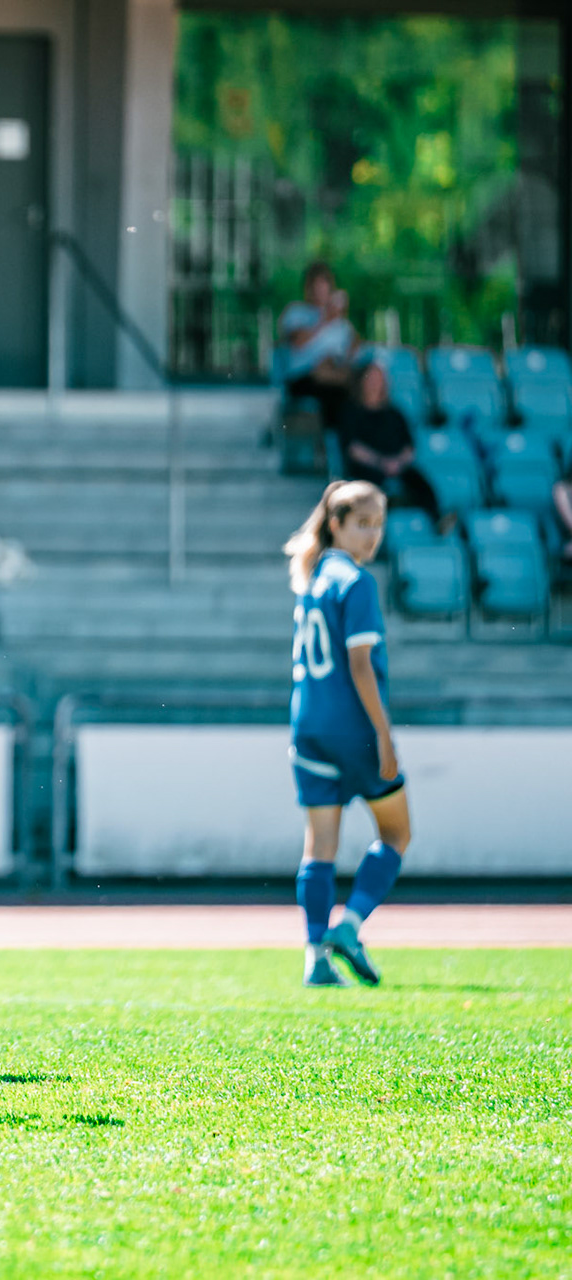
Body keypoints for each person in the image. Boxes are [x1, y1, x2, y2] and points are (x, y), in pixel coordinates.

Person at [284, 479, 409, 989]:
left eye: (378, 525)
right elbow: (360, 666)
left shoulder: (312, 578)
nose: (372, 536)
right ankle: (350, 928)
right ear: (335, 524)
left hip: (307, 726)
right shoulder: (355, 582)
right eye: (362, 524)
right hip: (352, 728)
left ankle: (315, 957)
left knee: (319, 849)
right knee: (397, 833)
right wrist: (384, 735)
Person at [337, 356, 440, 524]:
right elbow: (353, 448)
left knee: (420, 482)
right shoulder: (351, 411)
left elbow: (409, 447)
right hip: (368, 467)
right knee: (372, 485)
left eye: (379, 378)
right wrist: (380, 462)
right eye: (372, 378)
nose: (375, 383)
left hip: (396, 466)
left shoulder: (395, 413)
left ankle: (437, 520)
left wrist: (397, 463)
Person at [279, 262, 361, 426]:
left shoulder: (341, 324)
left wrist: (347, 327)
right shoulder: (295, 312)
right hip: (304, 377)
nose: (318, 291)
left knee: (362, 389)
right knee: (340, 395)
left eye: (323, 286)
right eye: (314, 286)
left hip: (335, 374)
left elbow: (353, 352)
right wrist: (325, 319)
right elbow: (297, 342)